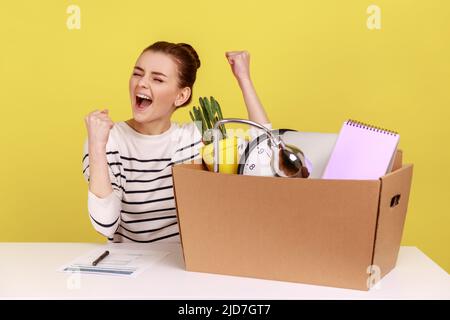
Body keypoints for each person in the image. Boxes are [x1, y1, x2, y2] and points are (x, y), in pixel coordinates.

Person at [82, 41, 270, 243]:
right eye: (138, 73)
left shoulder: (197, 138)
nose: (142, 83)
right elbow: (105, 224)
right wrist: (96, 147)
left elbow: (265, 158)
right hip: (132, 266)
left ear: (181, 96)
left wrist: (244, 79)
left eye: (157, 79)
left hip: (186, 264)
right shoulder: (107, 139)